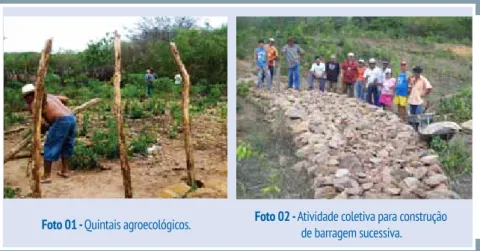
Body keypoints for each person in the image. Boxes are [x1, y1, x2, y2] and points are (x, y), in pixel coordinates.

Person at [21, 83, 77, 183]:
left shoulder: (34, 104)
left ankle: (46, 176)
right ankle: (65, 171)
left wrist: (44, 129)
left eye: (26, 98)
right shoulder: (49, 96)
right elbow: (65, 99)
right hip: (71, 117)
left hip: (60, 120)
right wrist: (59, 109)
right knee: (67, 145)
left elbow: (43, 124)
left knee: (50, 145)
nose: (26, 100)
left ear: (28, 96)